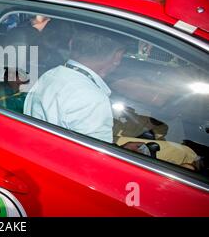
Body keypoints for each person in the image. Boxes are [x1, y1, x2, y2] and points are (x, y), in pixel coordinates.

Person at [24, 26, 199, 168]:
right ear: (117, 56)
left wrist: (117, 148)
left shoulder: (51, 74)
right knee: (185, 154)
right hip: (71, 164)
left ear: (71, 45)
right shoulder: (91, 98)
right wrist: (120, 153)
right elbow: (96, 164)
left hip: (49, 152)